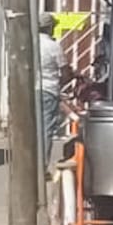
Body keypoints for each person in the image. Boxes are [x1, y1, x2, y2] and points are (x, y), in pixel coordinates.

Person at [38, 12, 69, 166]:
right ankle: (42, 167)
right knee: (46, 130)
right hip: (48, 90)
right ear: (50, 28)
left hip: (30, 91)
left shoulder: (30, 43)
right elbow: (65, 72)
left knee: (30, 128)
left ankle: (29, 167)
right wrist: (60, 85)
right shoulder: (53, 46)